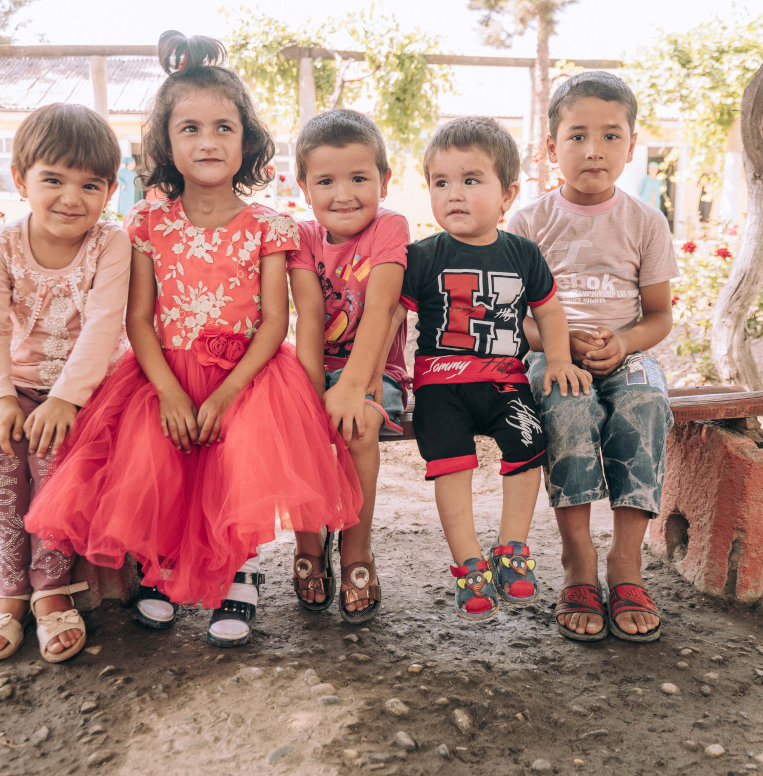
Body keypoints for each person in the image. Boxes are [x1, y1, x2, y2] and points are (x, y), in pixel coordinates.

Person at [24, 31, 362, 648]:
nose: (208, 141)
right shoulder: (149, 221)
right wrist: (171, 391)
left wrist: (230, 392)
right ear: (165, 142)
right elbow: (139, 319)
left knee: (237, 461)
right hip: (164, 372)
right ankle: (163, 571)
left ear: (247, 139)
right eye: (190, 128)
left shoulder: (269, 225)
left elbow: (273, 321)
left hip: (249, 374)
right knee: (156, 453)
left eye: (224, 127)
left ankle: (237, 573)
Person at [396, 116, 591, 622]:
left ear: (508, 193)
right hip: (441, 384)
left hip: (506, 381)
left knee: (528, 446)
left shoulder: (522, 253)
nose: (453, 194)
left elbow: (547, 310)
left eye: (470, 180)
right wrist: (376, 378)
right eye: (441, 183)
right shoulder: (421, 257)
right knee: (450, 462)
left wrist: (560, 360)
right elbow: (391, 316)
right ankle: (468, 564)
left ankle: (511, 549)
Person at [507, 71, 678, 643]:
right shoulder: (529, 223)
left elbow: (658, 315)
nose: (594, 150)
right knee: (567, 407)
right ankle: (579, 560)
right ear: (551, 148)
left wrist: (624, 344)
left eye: (610, 136)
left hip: (623, 350)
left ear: (630, 146)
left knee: (647, 401)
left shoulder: (645, 222)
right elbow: (514, 319)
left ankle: (625, 562)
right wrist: (562, 347)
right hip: (551, 355)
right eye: (577, 136)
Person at [0, 103, 131, 663]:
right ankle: (8, 590)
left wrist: (64, 399)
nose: (71, 198)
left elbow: (106, 327)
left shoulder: (110, 244)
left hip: (88, 392)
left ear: (109, 191)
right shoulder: (2, 245)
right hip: (16, 386)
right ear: (21, 179)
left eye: (90, 185)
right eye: (53, 179)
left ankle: (49, 589)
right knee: (1, 451)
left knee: (53, 454)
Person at [287, 109, 409, 624]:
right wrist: (313, 393)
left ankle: (356, 550)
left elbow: (381, 309)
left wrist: (353, 388)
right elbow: (310, 317)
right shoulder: (303, 238)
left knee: (358, 426)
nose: (344, 193)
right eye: (326, 181)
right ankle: (309, 542)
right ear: (303, 186)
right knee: (294, 423)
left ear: (384, 179)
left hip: (378, 370)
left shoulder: (389, 227)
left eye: (360, 178)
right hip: (317, 365)